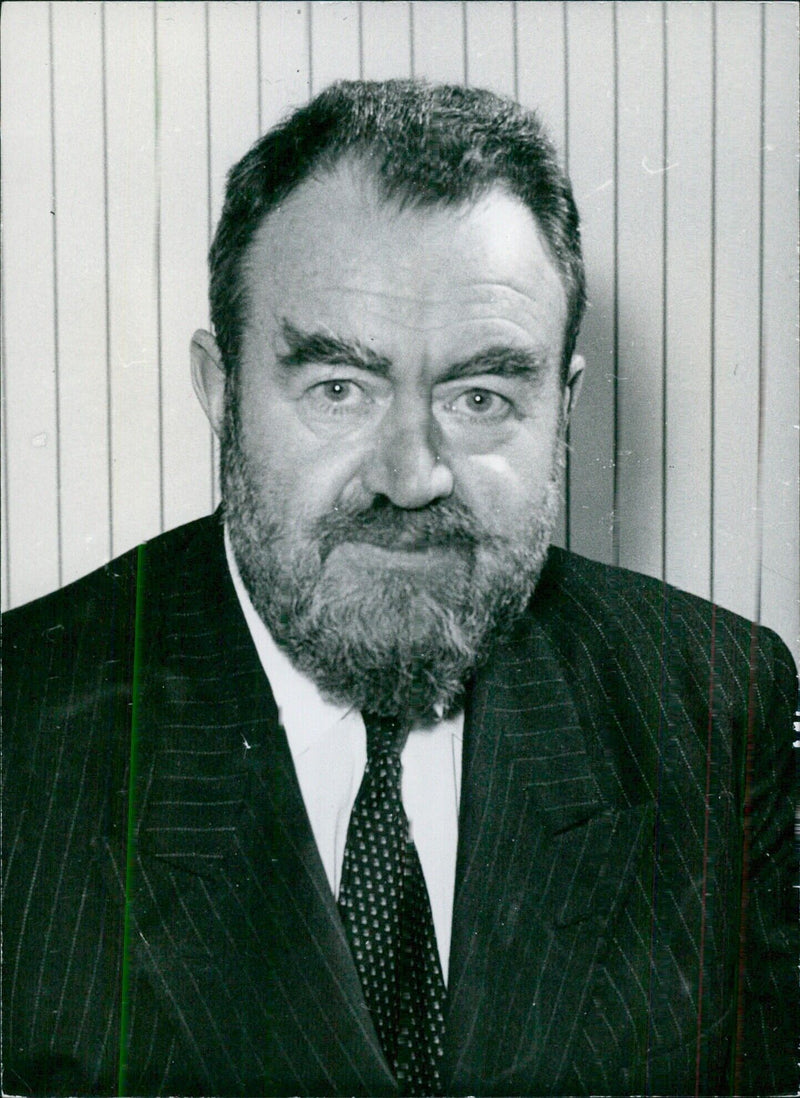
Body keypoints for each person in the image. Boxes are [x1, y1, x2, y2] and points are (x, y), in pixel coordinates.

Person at [2, 79, 796, 1098]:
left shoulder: (717, 710)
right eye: (339, 388)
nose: (409, 475)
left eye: (480, 396)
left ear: (562, 409)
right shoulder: (21, 731)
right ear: (221, 392)